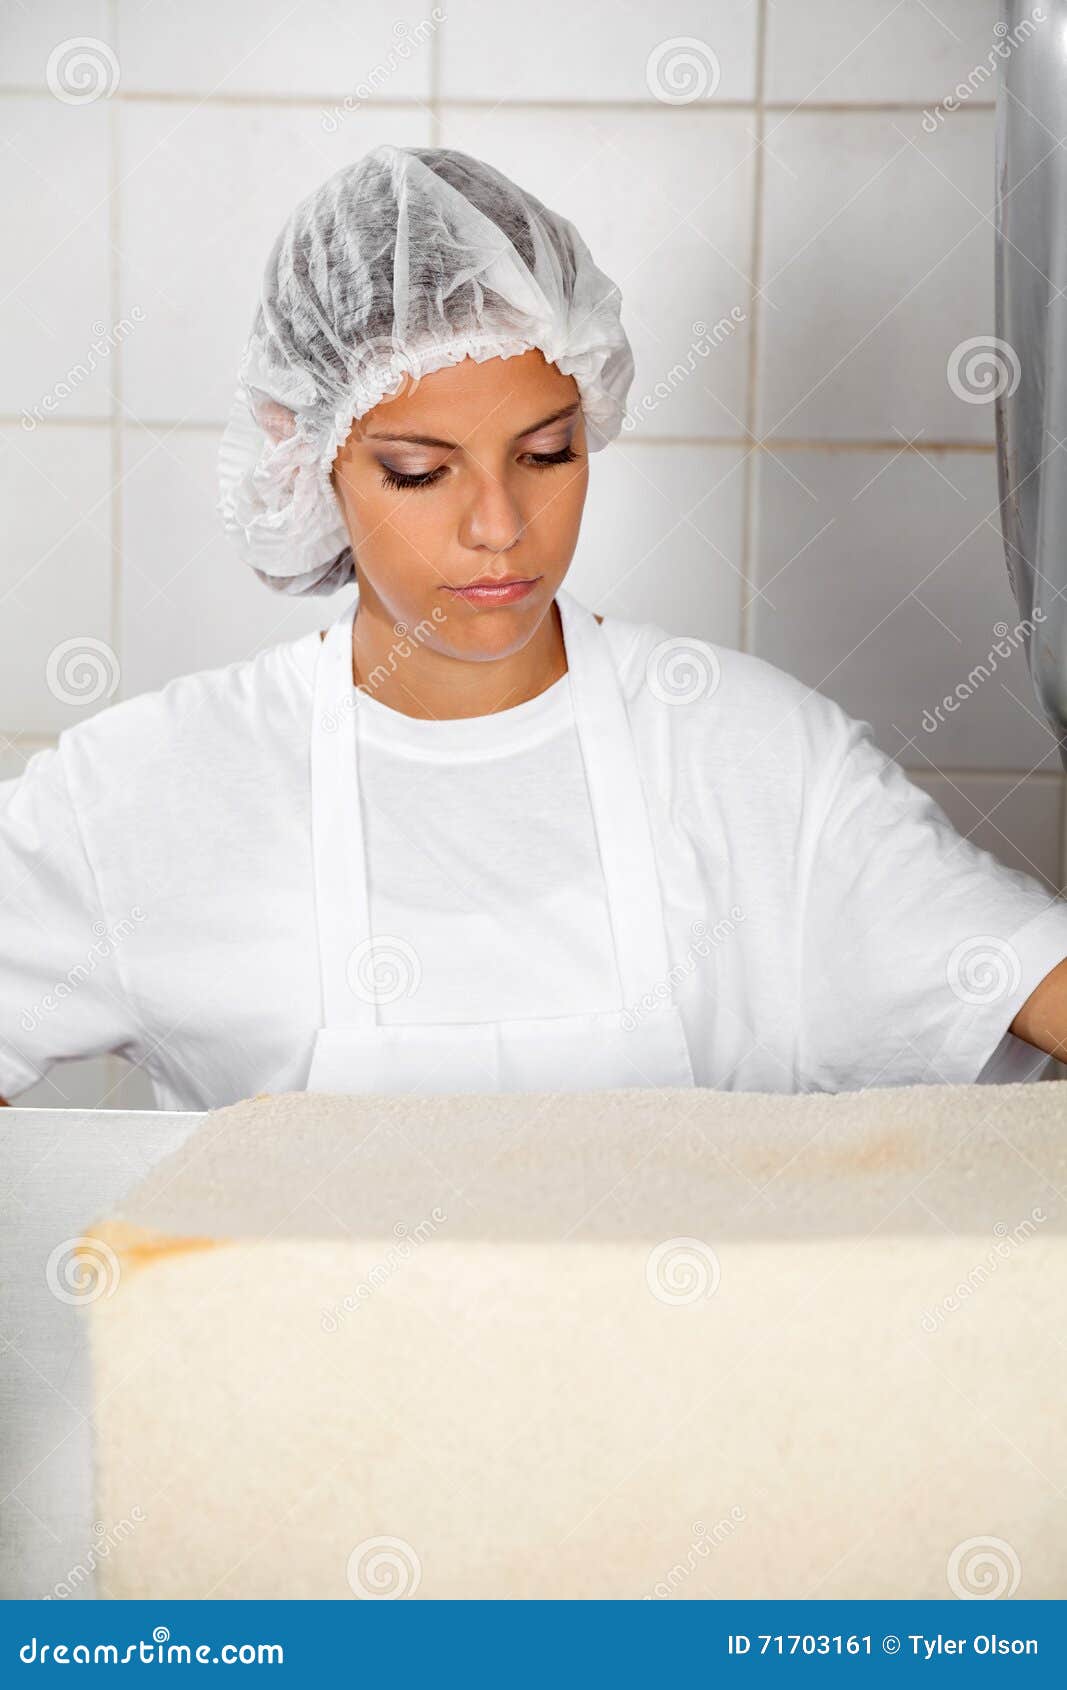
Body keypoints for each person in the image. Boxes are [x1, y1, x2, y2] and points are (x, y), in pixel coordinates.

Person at [2, 143, 1067, 1112]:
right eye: (418, 472)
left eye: (546, 453)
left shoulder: (742, 756)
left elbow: (1028, 980)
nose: (499, 528)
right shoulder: (160, 788)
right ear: (304, 452)